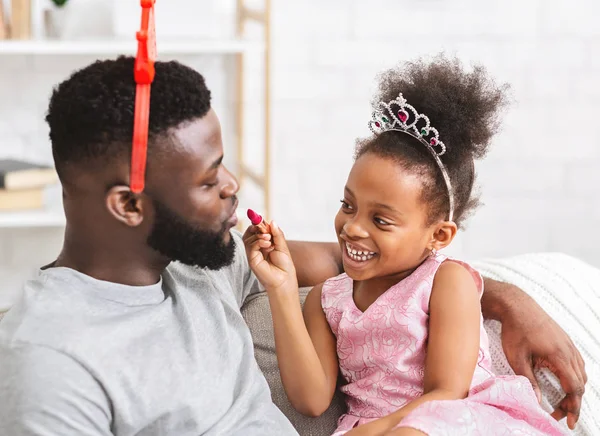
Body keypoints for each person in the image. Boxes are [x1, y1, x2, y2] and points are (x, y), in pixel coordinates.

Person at [0, 56, 585, 435]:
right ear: (128, 204)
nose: (234, 187)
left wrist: (508, 301)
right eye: (209, 180)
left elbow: (373, 268)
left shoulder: (208, 258)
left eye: (222, 164)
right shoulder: (51, 362)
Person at [243, 56, 583, 436]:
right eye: (348, 205)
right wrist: (281, 290)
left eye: (381, 220)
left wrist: (371, 433)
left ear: (438, 236)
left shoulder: (447, 281)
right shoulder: (326, 300)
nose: (352, 228)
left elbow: (447, 392)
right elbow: (311, 399)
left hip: (447, 421)